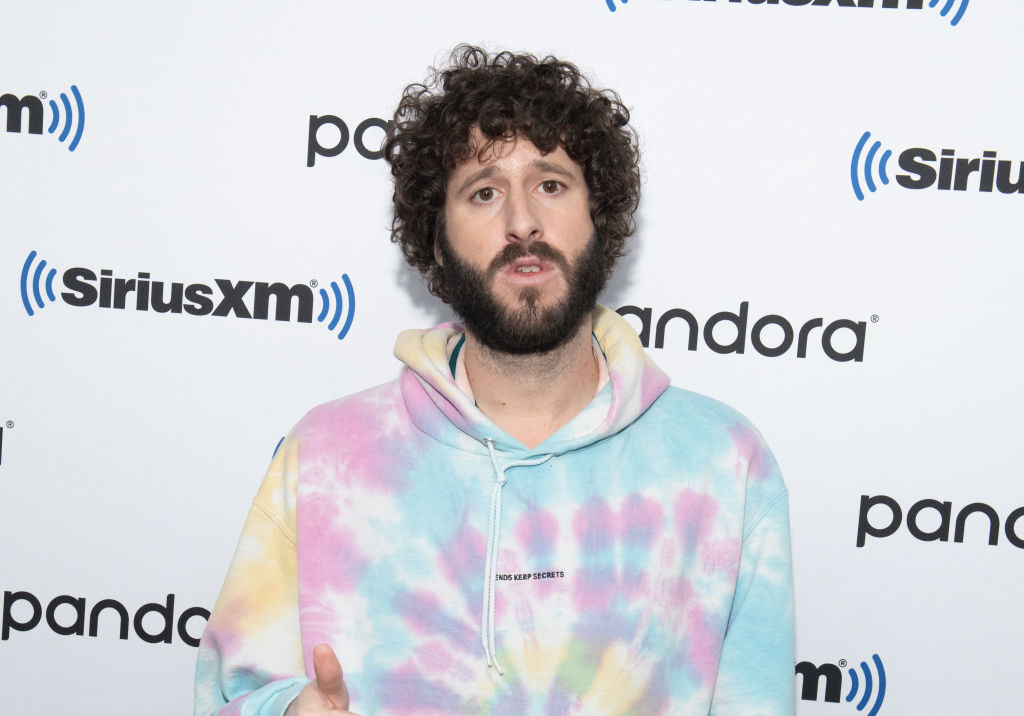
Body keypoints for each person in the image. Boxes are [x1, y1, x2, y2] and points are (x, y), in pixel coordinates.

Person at [194, 45, 795, 715]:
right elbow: (227, 696)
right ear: (437, 240)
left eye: (551, 185)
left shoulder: (723, 461)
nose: (522, 223)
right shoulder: (327, 454)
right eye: (484, 192)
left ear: (599, 218)